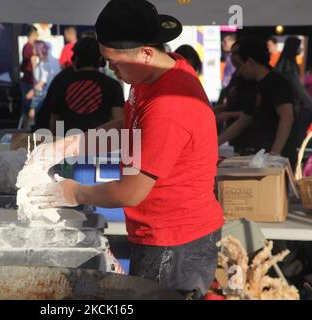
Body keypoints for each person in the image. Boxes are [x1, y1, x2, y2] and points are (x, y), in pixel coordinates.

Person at [27, 0, 224, 296]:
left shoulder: (169, 105)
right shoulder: (153, 73)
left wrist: (73, 192)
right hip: (162, 232)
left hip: (176, 242)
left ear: (146, 53)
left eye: (115, 62)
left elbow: (130, 192)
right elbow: (130, 126)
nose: (110, 69)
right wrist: (72, 144)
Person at [218, 36, 297, 166]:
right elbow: (244, 119)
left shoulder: (276, 82)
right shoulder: (257, 86)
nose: (239, 72)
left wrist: (274, 154)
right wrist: (215, 142)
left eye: (240, 66)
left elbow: (287, 116)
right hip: (263, 156)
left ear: (249, 61)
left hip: (280, 158)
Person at [48, 37, 124, 134]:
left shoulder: (62, 83)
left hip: (68, 145)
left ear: (75, 59)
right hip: (101, 144)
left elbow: (54, 122)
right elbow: (118, 122)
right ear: (100, 59)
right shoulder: (112, 85)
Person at [20, 25, 38, 126]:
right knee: (29, 107)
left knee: (29, 106)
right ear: (32, 35)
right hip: (29, 80)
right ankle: (25, 128)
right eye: (36, 34)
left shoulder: (29, 47)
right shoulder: (29, 47)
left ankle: (26, 127)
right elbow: (32, 63)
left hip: (29, 79)